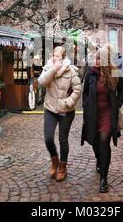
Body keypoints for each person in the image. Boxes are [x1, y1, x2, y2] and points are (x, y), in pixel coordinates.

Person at [82, 45, 123, 193]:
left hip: (108, 113)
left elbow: (121, 93)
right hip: (93, 113)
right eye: (96, 57)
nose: (96, 60)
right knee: (95, 142)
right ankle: (99, 161)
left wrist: (116, 106)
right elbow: (85, 93)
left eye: (99, 58)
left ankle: (104, 178)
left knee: (103, 140)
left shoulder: (115, 73)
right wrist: (86, 106)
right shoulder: (90, 74)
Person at [38, 46, 81, 182]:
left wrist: (68, 102)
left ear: (64, 58)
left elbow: (77, 89)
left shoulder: (71, 70)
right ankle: (54, 161)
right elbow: (42, 82)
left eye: (58, 56)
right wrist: (53, 69)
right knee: (48, 138)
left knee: (63, 139)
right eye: (54, 55)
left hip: (66, 111)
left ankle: (62, 167)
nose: (55, 58)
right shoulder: (48, 68)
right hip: (50, 108)